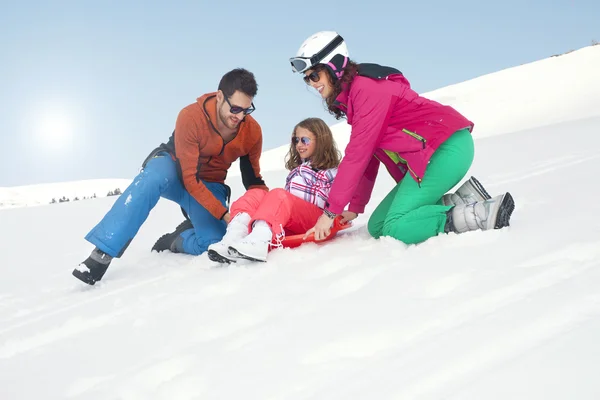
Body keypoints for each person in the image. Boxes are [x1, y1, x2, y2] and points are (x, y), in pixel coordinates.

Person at [289, 31, 515, 244]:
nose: (312, 82)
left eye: (315, 75)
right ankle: (463, 201)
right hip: (434, 155)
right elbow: (368, 158)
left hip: (445, 149)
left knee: (396, 226)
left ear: (335, 66)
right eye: (307, 79)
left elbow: (357, 155)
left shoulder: (367, 90)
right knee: (378, 226)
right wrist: (355, 206)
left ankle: (480, 214)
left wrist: (330, 212)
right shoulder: (356, 98)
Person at [72, 68, 268, 285]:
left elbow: (253, 179)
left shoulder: (252, 132)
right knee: (152, 177)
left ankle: (178, 239)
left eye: (246, 110)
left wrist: (266, 212)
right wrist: (223, 214)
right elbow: (189, 179)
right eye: (235, 108)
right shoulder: (191, 116)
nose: (239, 116)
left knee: (214, 244)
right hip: (174, 171)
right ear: (220, 96)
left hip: (211, 183)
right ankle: (102, 253)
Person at [206, 117, 343, 263]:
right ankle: (233, 237)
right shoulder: (297, 170)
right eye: (296, 141)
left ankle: (259, 240)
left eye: (305, 140)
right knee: (256, 193)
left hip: (317, 220)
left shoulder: (332, 171)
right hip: (292, 221)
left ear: (321, 140)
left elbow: (342, 194)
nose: (299, 145)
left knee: (279, 194)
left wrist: (339, 215)